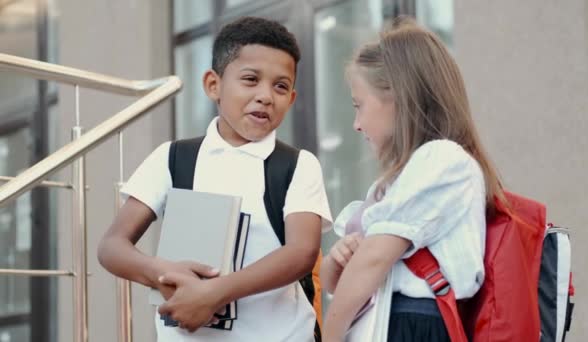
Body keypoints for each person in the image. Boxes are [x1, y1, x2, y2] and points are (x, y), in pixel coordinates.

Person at [97, 16, 332, 341]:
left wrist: (216, 293)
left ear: (291, 99)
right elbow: (112, 246)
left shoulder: (297, 165)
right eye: (250, 79)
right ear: (213, 85)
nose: (266, 95)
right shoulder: (173, 158)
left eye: (280, 86)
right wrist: (164, 272)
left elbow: (301, 252)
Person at [321, 16, 504, 342]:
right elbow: (354, 276)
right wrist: (337, 263)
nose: (356, 124)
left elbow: (374, 259)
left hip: (411, 324)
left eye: (359, 105)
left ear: (399, 98)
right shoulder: (403, 177)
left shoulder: (442, 160)